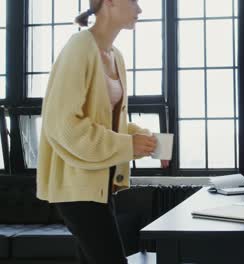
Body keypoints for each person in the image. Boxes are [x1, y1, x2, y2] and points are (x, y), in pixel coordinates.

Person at [36, 0, 167, 263]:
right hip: (76, 185)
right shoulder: (79, 47)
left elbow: (109, 123)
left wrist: (146, 138)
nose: (139, 10)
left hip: (101, 181)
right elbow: (64, 125)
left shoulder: (115, 55)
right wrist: (129, 145)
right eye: (134, 2)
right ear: (110, 2)